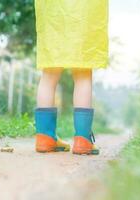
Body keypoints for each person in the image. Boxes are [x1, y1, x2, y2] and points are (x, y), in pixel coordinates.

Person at [34, 0, 109, 155]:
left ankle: (45, 138)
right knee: (83, 72)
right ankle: (82, 140)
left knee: (49, 72)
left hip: (52, 11)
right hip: (85, 10)